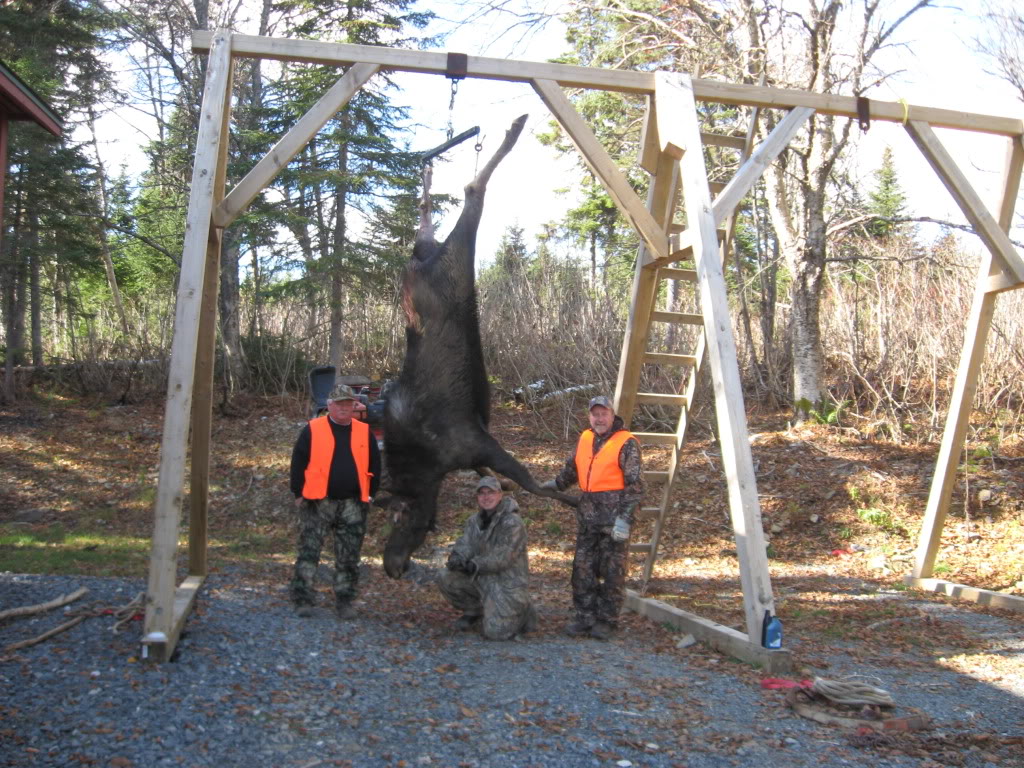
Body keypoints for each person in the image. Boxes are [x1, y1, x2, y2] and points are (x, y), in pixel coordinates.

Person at [544, 395, 643, 640]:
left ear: (612, 415)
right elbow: (572, 469)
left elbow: (636, 487)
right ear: (590, 416)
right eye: (595, 414)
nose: (599, 418)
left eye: (603, 414)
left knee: (612, 573)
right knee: (582, 570)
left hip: (613, 523)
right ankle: (584, 617)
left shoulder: (627, 443)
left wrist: (625, 519)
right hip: (588, 519)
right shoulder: (585, 438)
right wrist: (556, 485)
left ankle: (607, 621)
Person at [289, 383, 381, 619]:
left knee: (349, 556)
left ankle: (345, 601)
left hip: (353, 504)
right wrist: (298, 493)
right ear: (329, 405)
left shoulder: (364, 431)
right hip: (318, 502)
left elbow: (375, 466)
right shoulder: (313, 429)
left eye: (347, 403)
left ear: (354, 406)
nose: (343, 408)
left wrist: (371, 493)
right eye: (338, 403)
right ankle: (302, 599)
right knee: (309, 552)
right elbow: (298, 462)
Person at [437, 476, 537, 640]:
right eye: (482, 493)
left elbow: (503, 557)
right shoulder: (473, 521)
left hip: (506, 584)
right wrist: (457, 558)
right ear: (477, 497)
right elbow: (465, 545)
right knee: (445, 576)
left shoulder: (513, 523)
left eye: (490, 492)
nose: (486, 497)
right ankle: (475, 610)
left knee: (496, 633)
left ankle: (524, 613)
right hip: (481, 579)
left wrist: (474, 564)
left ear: (499, 495)